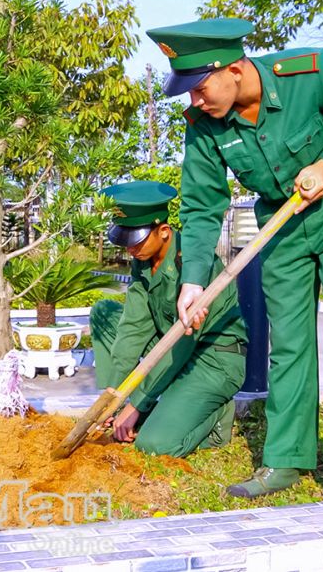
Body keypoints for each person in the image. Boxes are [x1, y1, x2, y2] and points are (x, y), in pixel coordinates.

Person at [145, 18, 323, 508]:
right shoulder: (203, 126)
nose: (194, 101)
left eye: (199, 89)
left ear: (235, 70)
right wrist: (192, 281)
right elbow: (201, 205)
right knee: (289, 342)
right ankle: (285, 457)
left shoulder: (311, 72)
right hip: (280, 224)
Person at [90, 180, 247, 457]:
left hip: (211, 360)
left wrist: (135, 405)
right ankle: (150, 404)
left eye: (135, 240)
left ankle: (217, 417)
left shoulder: (195, 264)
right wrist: (112, 397)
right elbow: (133, 328)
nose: (129, 250)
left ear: (163, 231)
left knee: (154, 445)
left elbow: (182, 344)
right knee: (105, 313)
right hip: (171, 347)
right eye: (125, 241)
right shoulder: (143, 260)